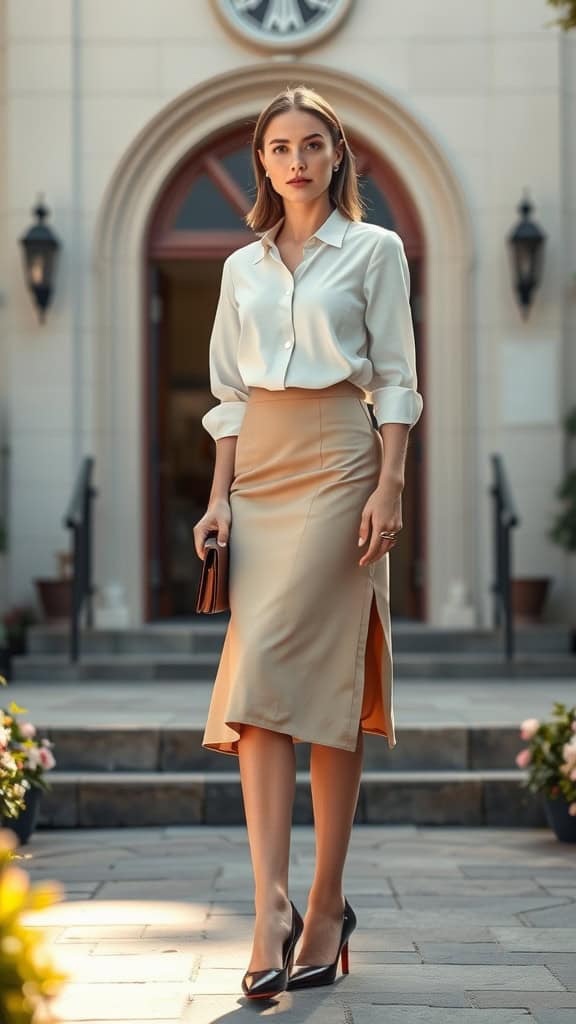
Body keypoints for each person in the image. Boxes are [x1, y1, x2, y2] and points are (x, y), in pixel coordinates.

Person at [193, 84, 423, 1000]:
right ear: (263, 160)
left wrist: (391, 483)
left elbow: (397, 375)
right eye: (280, 146)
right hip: (263, 472)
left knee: (322, 675)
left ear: (338, 156)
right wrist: (218, 501)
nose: (296, 159)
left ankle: (322, 902)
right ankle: (273, 906)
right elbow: (228, 396)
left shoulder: (376, 249)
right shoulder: (240, 269)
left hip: (339, 461)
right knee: (258, 685)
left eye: (313, 144)